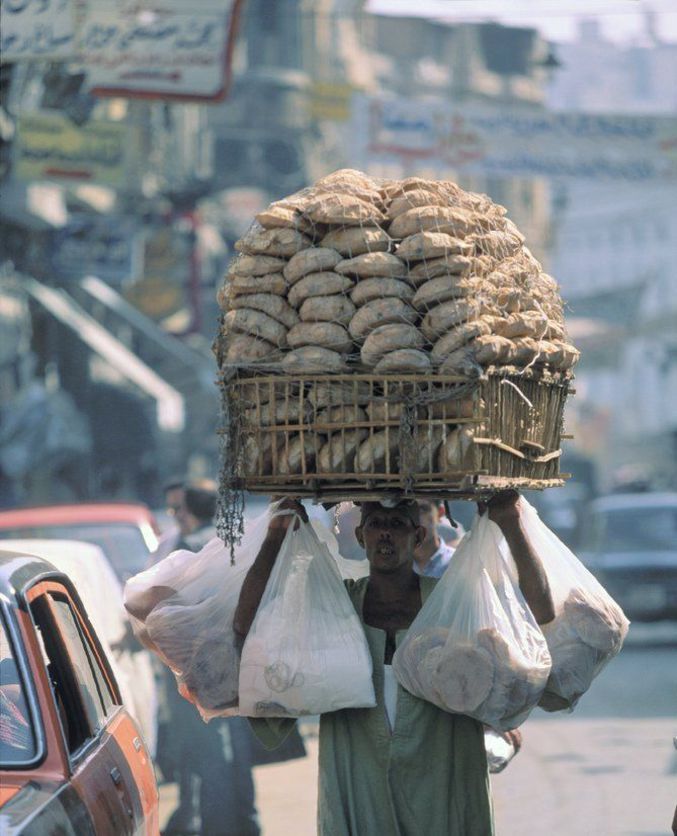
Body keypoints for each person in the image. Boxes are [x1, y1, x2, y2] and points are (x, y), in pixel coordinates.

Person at [234, 490, 555, 835]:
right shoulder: (337, 609)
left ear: (418, 535)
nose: (385, 533)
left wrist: (511, 522)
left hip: (442, 789)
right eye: (375, 524)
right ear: (360, 535)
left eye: (398, 524)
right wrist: (275, 535)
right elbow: (248, 627)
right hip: (360, 787)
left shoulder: (453, 602)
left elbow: (538, 615)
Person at [163, 479, 261, 836]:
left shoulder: (187, 549)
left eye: (177, 510)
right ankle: (247, 824)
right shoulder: (236, 543)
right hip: (239, 667)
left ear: (187, 513)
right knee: (235, 754)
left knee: (211, 759)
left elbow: (170, 613)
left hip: (202, 672)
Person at [412, 499, 456, 576]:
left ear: (440, 513)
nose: (415, 518)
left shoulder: (457, 563)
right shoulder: (392, 563)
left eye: (423, 510)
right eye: (409, 510)